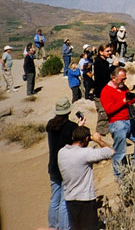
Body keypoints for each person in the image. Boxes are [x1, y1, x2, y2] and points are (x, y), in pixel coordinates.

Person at [58, 126, 113, 230]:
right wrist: (98, 140)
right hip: (85, 199)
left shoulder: (62, 152)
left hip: (70, 199)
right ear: (87, 139)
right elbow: (111, 152)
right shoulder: (86, 153)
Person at [100, 66, 135, 177]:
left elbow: (127, 103)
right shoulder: (106, 91)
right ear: (114, 78)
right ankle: (119, 176)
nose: (124, 81)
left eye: (125, 78)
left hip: (129, 120)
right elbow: (109, 110)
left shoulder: (123, 87)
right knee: (120, 152)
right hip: (117, 123)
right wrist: (123, 101)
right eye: (122, 79)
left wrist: (133, 99)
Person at [47, 97, 85, 230]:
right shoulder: (71, 127)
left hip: (53, 165)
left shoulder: (50, 125)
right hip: (65, 166)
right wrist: (80, 127)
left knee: (55, 198)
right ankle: (64, 227)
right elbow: (77, 141)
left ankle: (53, 226)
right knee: (65, 200)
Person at [92, 44, 115, 135]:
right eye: (107, 51)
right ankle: (101, 132)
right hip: (100, 92)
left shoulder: (104, 62)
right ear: (101, 52)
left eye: (110, 51)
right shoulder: (98, 62)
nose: (110, 52)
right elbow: (103, 76)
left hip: (105, 91)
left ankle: (105, 130)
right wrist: (113, 67)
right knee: (102, 112)